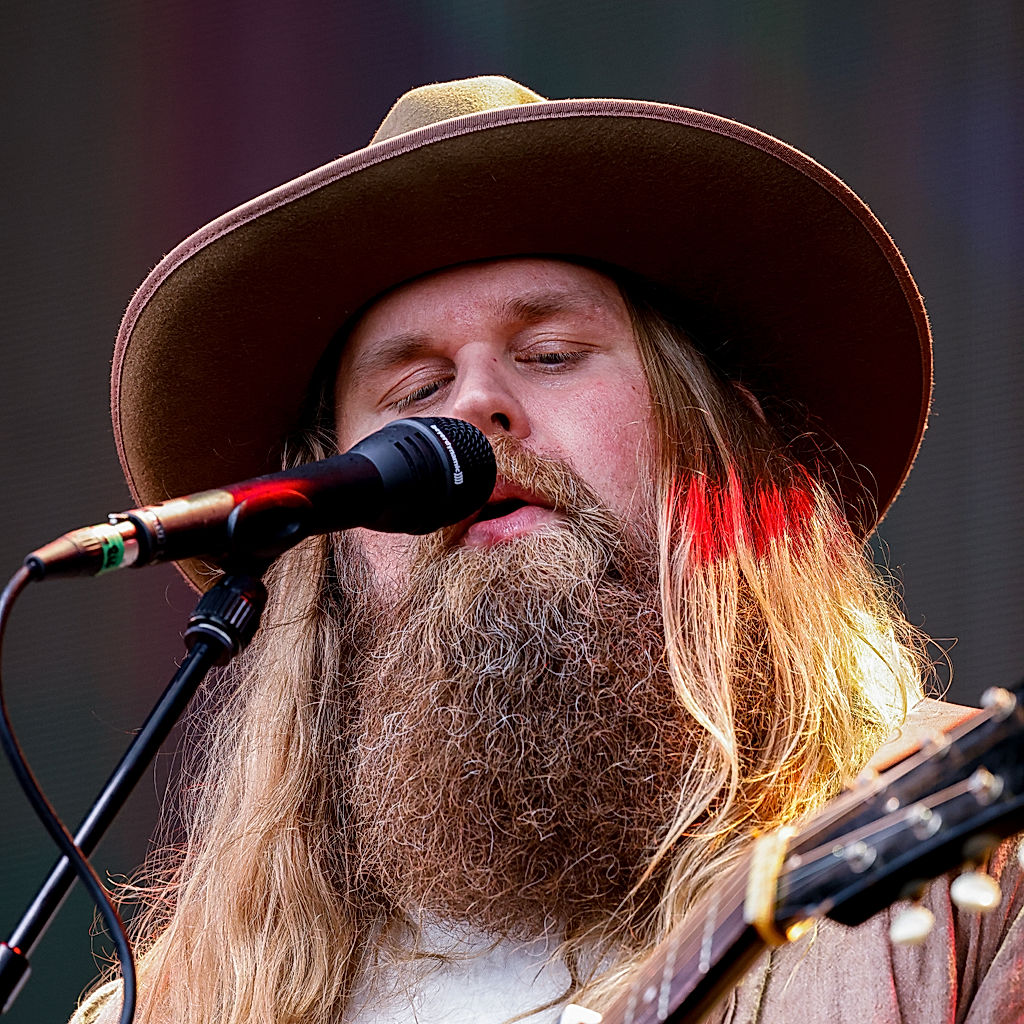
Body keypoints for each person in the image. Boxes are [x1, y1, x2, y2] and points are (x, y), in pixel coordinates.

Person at [72, 77, 1022, 1024]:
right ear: (328, 543)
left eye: (551, 353)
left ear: (716, 442)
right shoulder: (175, 1002)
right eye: (414, 392)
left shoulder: (958, 856)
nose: (474, 407)